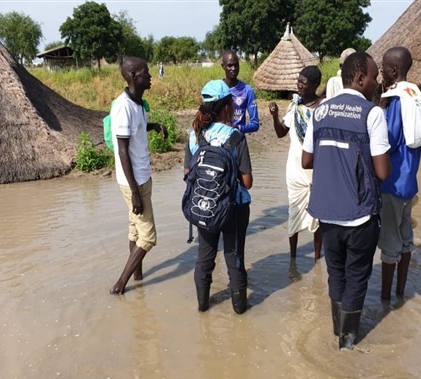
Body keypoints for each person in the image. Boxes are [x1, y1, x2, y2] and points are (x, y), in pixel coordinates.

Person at [302, 52, 391, 350]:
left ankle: (336, 332)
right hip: (359, 215)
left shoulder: (321, 111)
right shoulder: (372, 113)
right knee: (357, 277)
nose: (377, 83)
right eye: (375, 77)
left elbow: (306, 160)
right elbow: (381, 172)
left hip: (327, 214)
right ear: (360, 78)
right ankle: (348, 343)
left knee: (335, 273)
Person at [184, 80, 253, 314]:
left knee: (205, 258)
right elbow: (247, 183)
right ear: (226, 107)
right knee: (234, 259)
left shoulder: (194, 137)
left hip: (204, 206)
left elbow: (187, 174)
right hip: (234, 208)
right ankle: (240, 312)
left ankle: (203, 308)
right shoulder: (235, 137)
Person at [109, 56, 168, 295]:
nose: (150, 75)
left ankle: (139, 278)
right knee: (149, 237)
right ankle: (120, 285)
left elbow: (135, 132)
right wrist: (134, 191)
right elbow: (122, 150)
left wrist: (153, 126)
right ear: (134, 77)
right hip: (135, 182)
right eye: (146, 72)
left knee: (135, 231)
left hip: (142, 178)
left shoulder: (138, 104)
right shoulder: (123, 106)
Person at [377, 47, 421, 300]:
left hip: (392, 184)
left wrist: (380, 108)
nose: (381, 71)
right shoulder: (416, 95)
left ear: (394, 71)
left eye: (384, 68)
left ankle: (386, 300)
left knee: (389, 243)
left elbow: (385, 139)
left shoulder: (396, 99)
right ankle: (400, 291)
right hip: (410, 183)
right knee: (406, 239)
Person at [268, 66, 323, 259]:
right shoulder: (294, 107)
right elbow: (281, 132)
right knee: (294, 210)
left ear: (315, 85)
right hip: (294, 169)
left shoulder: (322, 109)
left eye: (303, 83)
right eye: (298, 81)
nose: (299, 86)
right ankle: (293, 257)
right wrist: (275, 117)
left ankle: (317, 258)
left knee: (318, 214)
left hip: (317, 168)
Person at [221, 50, 260, 134]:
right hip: (219, 141)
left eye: (236, 65)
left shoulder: (247, 90)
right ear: (223, 66)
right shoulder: (217, 89)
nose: (234, 69)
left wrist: (238, 128)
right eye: (230, 65)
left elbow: (255, 124)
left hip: (238, 142)